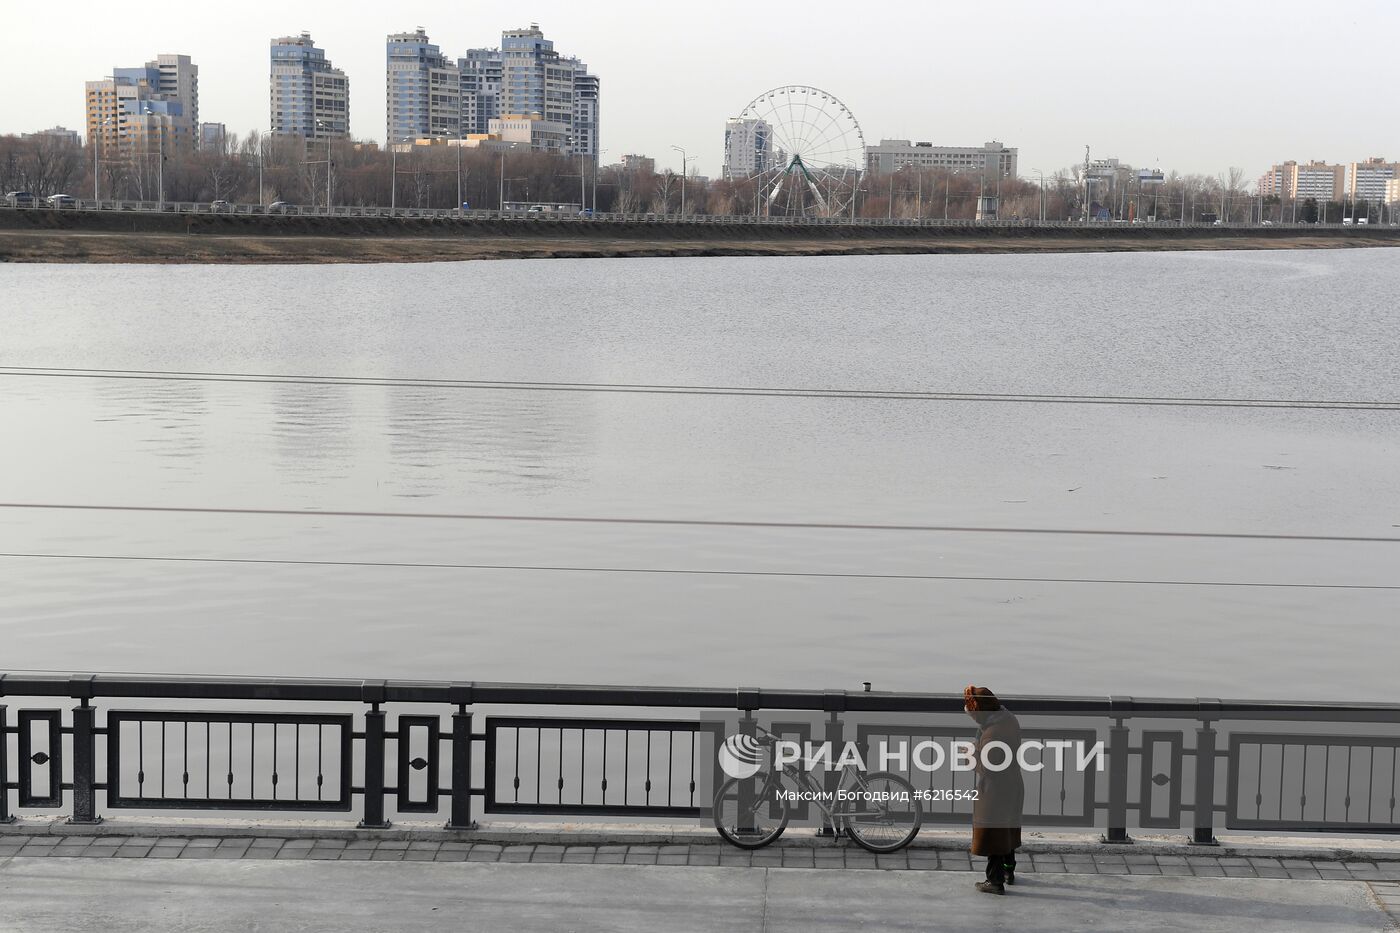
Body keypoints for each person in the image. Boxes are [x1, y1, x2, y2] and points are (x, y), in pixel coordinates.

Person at [964, 685, 1024, 895]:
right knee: (1006, 829)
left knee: (994, 835)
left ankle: (994, 881)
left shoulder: (993, 734)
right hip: (1012, 783)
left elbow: (990, 768)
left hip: (996, 790)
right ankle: (1009, 871)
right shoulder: (1007, 719)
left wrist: (970, 755)